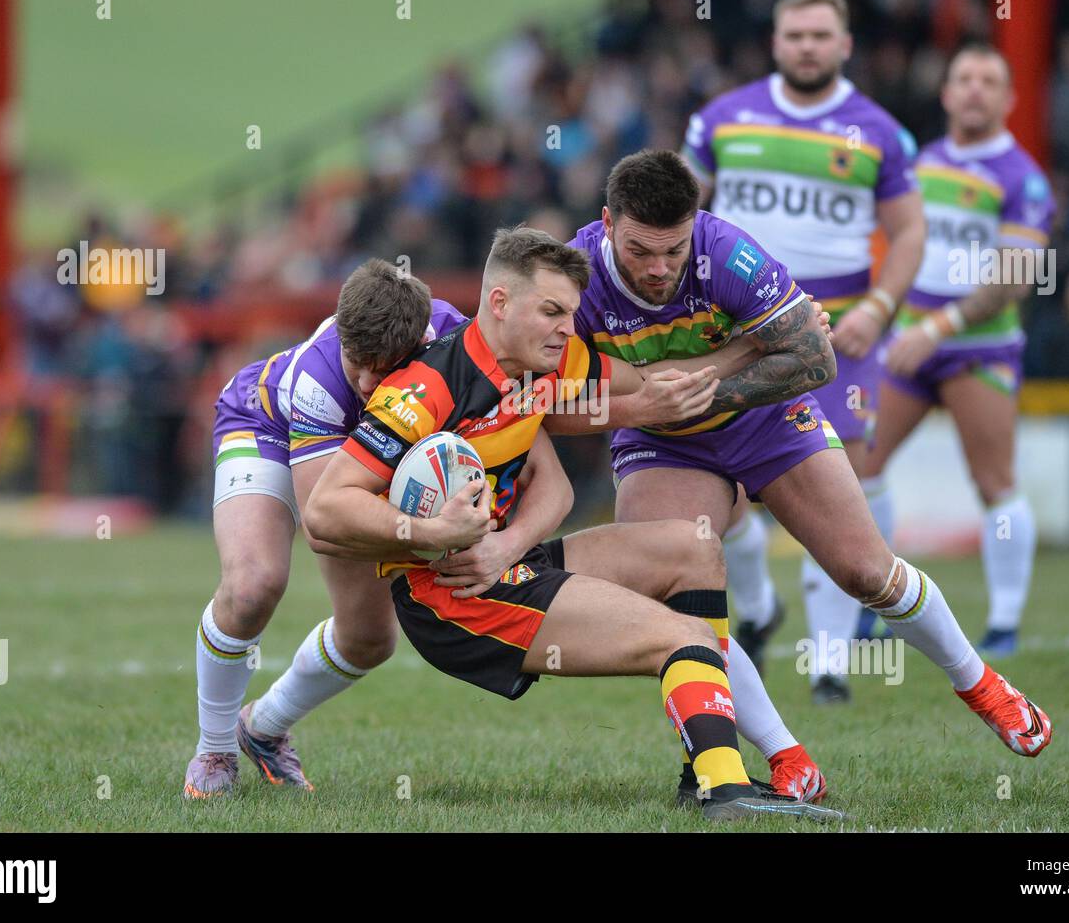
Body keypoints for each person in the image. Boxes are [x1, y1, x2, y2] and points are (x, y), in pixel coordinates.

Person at [305, 227, 845, 822]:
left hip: (501, 565)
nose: (569, 326)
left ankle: (704, 772)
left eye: (571, 312)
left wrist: (769, 338)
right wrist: (435, 535)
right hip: (449, 598)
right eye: (553, 311)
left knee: (692, 546)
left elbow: (633, 406)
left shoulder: (545, 363)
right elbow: (327, 508)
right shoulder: (427, 388)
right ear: (501, 304)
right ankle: (728, 794)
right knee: (683, 636)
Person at [547, 150, 1052, 773]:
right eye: (640, 251)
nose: (659, 269)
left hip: (765, 419)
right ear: (606, 223)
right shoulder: (571, 277)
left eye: (673, 251)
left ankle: (980, 684)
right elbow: (551, 407)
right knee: (684, 606)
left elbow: (817, 359)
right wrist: (682, 387)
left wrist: (688, 393)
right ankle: (784, 760)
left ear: (696, 222)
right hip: (658, 440)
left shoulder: (727, 252)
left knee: (868, 573)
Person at [681, 0, 927, 703]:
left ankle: (828, 663)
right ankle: (758, 606)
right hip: (733, 334)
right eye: (795, 36)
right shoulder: (722, 119)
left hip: (838, 334)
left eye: (821, 36)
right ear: (776, 42)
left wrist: (881, 308)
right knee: (719, 493)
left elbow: (910, 229)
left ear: (844, 44)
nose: (807, 47)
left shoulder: (879, 130)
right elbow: (679, 218)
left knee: (837, 489)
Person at [183, 259, 470, 798]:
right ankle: (215, 749)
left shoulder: (454, 345)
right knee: (253, 585)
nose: (364, 382)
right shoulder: (321, 378)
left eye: (380, 371)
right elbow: (324, 523)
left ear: (415, 349)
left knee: (369, 640)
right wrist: (429, 534)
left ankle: (262, 727)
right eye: (354, 362)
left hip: (366, 457)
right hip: (263, 420)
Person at [859, 44, 1055, 657]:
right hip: (908, 340)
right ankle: (872, 603)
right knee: (860, 466)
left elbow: (1016, 279)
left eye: (988, 81)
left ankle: (1003, 624)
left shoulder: (1022, 177)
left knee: (993, 481)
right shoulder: (916, 165)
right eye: (963, 78)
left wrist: (935, 328)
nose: (974, 90)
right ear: (945, 93)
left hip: (977, 349)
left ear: (1009, 99)